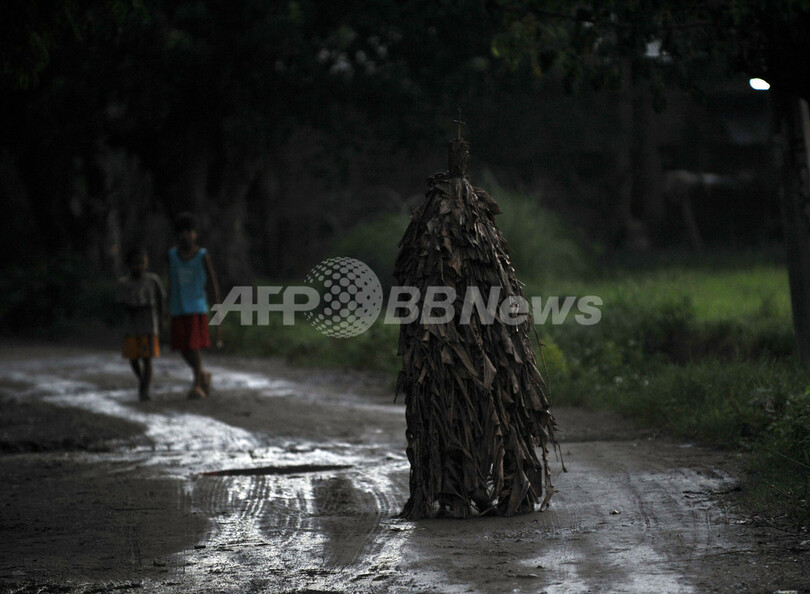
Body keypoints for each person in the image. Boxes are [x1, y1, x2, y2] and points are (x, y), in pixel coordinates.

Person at [168, 212, 222, 399]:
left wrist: (217, 311)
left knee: (193, 346)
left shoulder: (201, 255)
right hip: (177, 308)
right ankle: (202, 374)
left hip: (196, 307)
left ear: (195, 234)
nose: (186, 236)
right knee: (182, 348)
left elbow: (213, 284)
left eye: (189, 232)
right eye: (182, 232)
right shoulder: (172, 256)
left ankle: (197, 383)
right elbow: (171, 282)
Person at [117, 246, 166, 401]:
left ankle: (144, 388)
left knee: (147, 358)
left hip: (149, 325)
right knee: (133, 358)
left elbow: (161, 300)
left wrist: (162, 318)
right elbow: (121, 303)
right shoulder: (124, 283)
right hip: (132, 326)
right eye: (135, 263)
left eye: (142, 263)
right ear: (129, 265)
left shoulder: (152, 281)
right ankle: (143, 381)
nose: (139, 267)